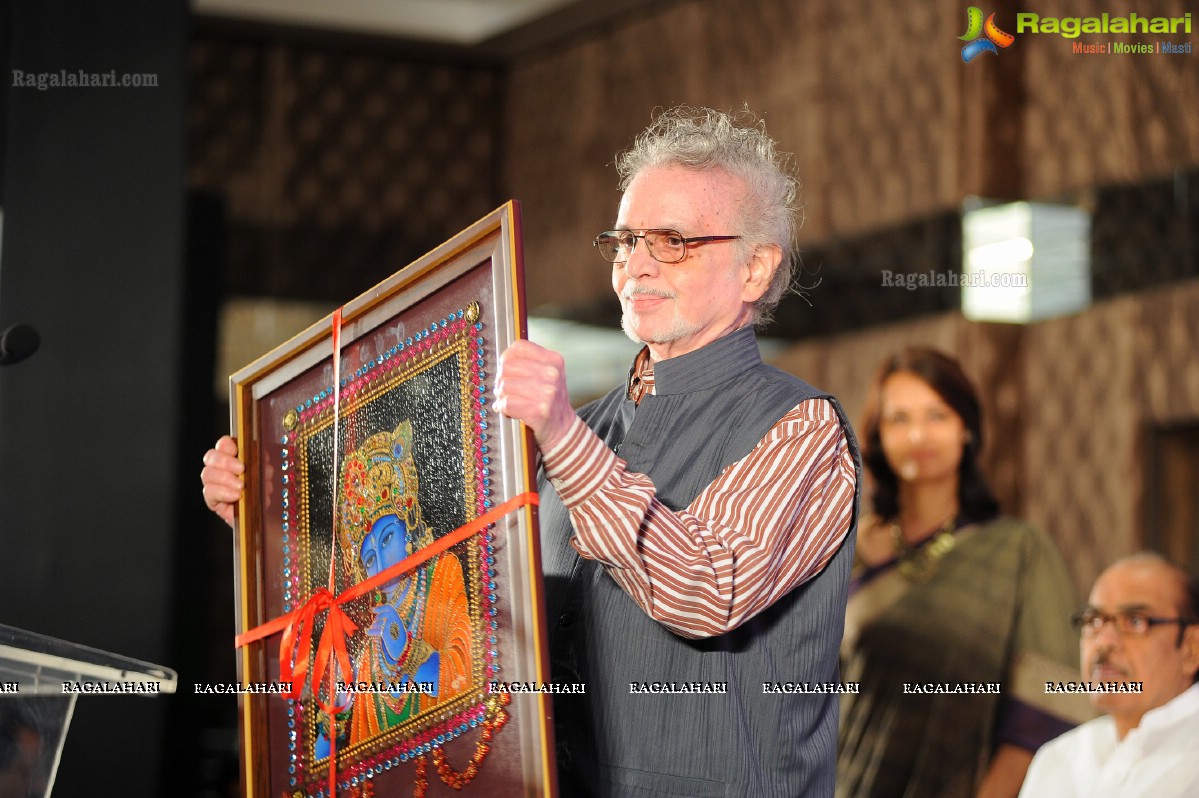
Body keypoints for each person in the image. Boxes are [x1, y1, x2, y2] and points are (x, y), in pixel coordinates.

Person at [204, 105, 860, 797]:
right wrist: (268, 522)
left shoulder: (799, 428)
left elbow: (705, 592)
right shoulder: (578, 430)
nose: (635, 264)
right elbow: (438, 592)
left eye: (671, 240)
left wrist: (561, 436)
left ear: (755, 268)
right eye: (625, 239)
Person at [837, 347, 1089, 798]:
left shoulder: (1018, 553)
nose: (919, 435)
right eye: (900, 419)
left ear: (966, 430)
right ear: (877, 437)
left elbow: (1048, 705)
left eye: (937, 415)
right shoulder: (841, 550)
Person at [1018, 552, 1199, 798]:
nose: (1104, 642)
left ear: (1191, 648)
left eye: (1135, 621)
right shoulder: (1057, 759)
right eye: (1093, 621)